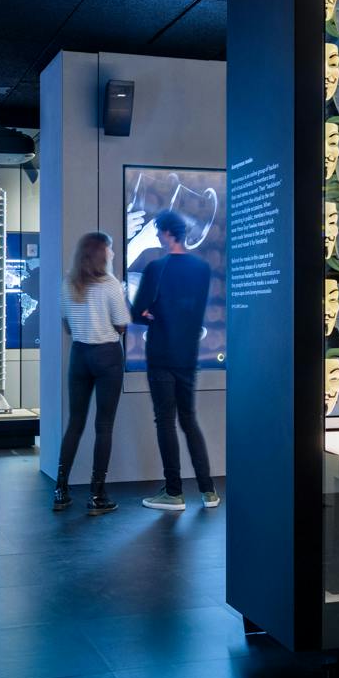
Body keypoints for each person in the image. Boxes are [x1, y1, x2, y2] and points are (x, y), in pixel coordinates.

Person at [132, 209, 219, 510]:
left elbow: (137, 311)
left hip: (161, 354)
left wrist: (151, 313)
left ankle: (173, 492)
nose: (156, 236)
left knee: (165, 421)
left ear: (168, 233)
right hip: (188, 355)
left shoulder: (157, 267)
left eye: (158, 231)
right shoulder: (202, 268)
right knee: (189, 420)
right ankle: (208, 491)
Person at [56, 230, 129, 516]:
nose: (112, 253)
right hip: (107, 356)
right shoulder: (111, 285)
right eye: (109, 249)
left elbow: (66, 323)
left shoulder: (69, 282)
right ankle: (97, 494)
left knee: (74, 423)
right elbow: (122, 324)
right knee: (104, 426)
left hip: (79, 355)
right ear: (101, 254)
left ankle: (60, 490)